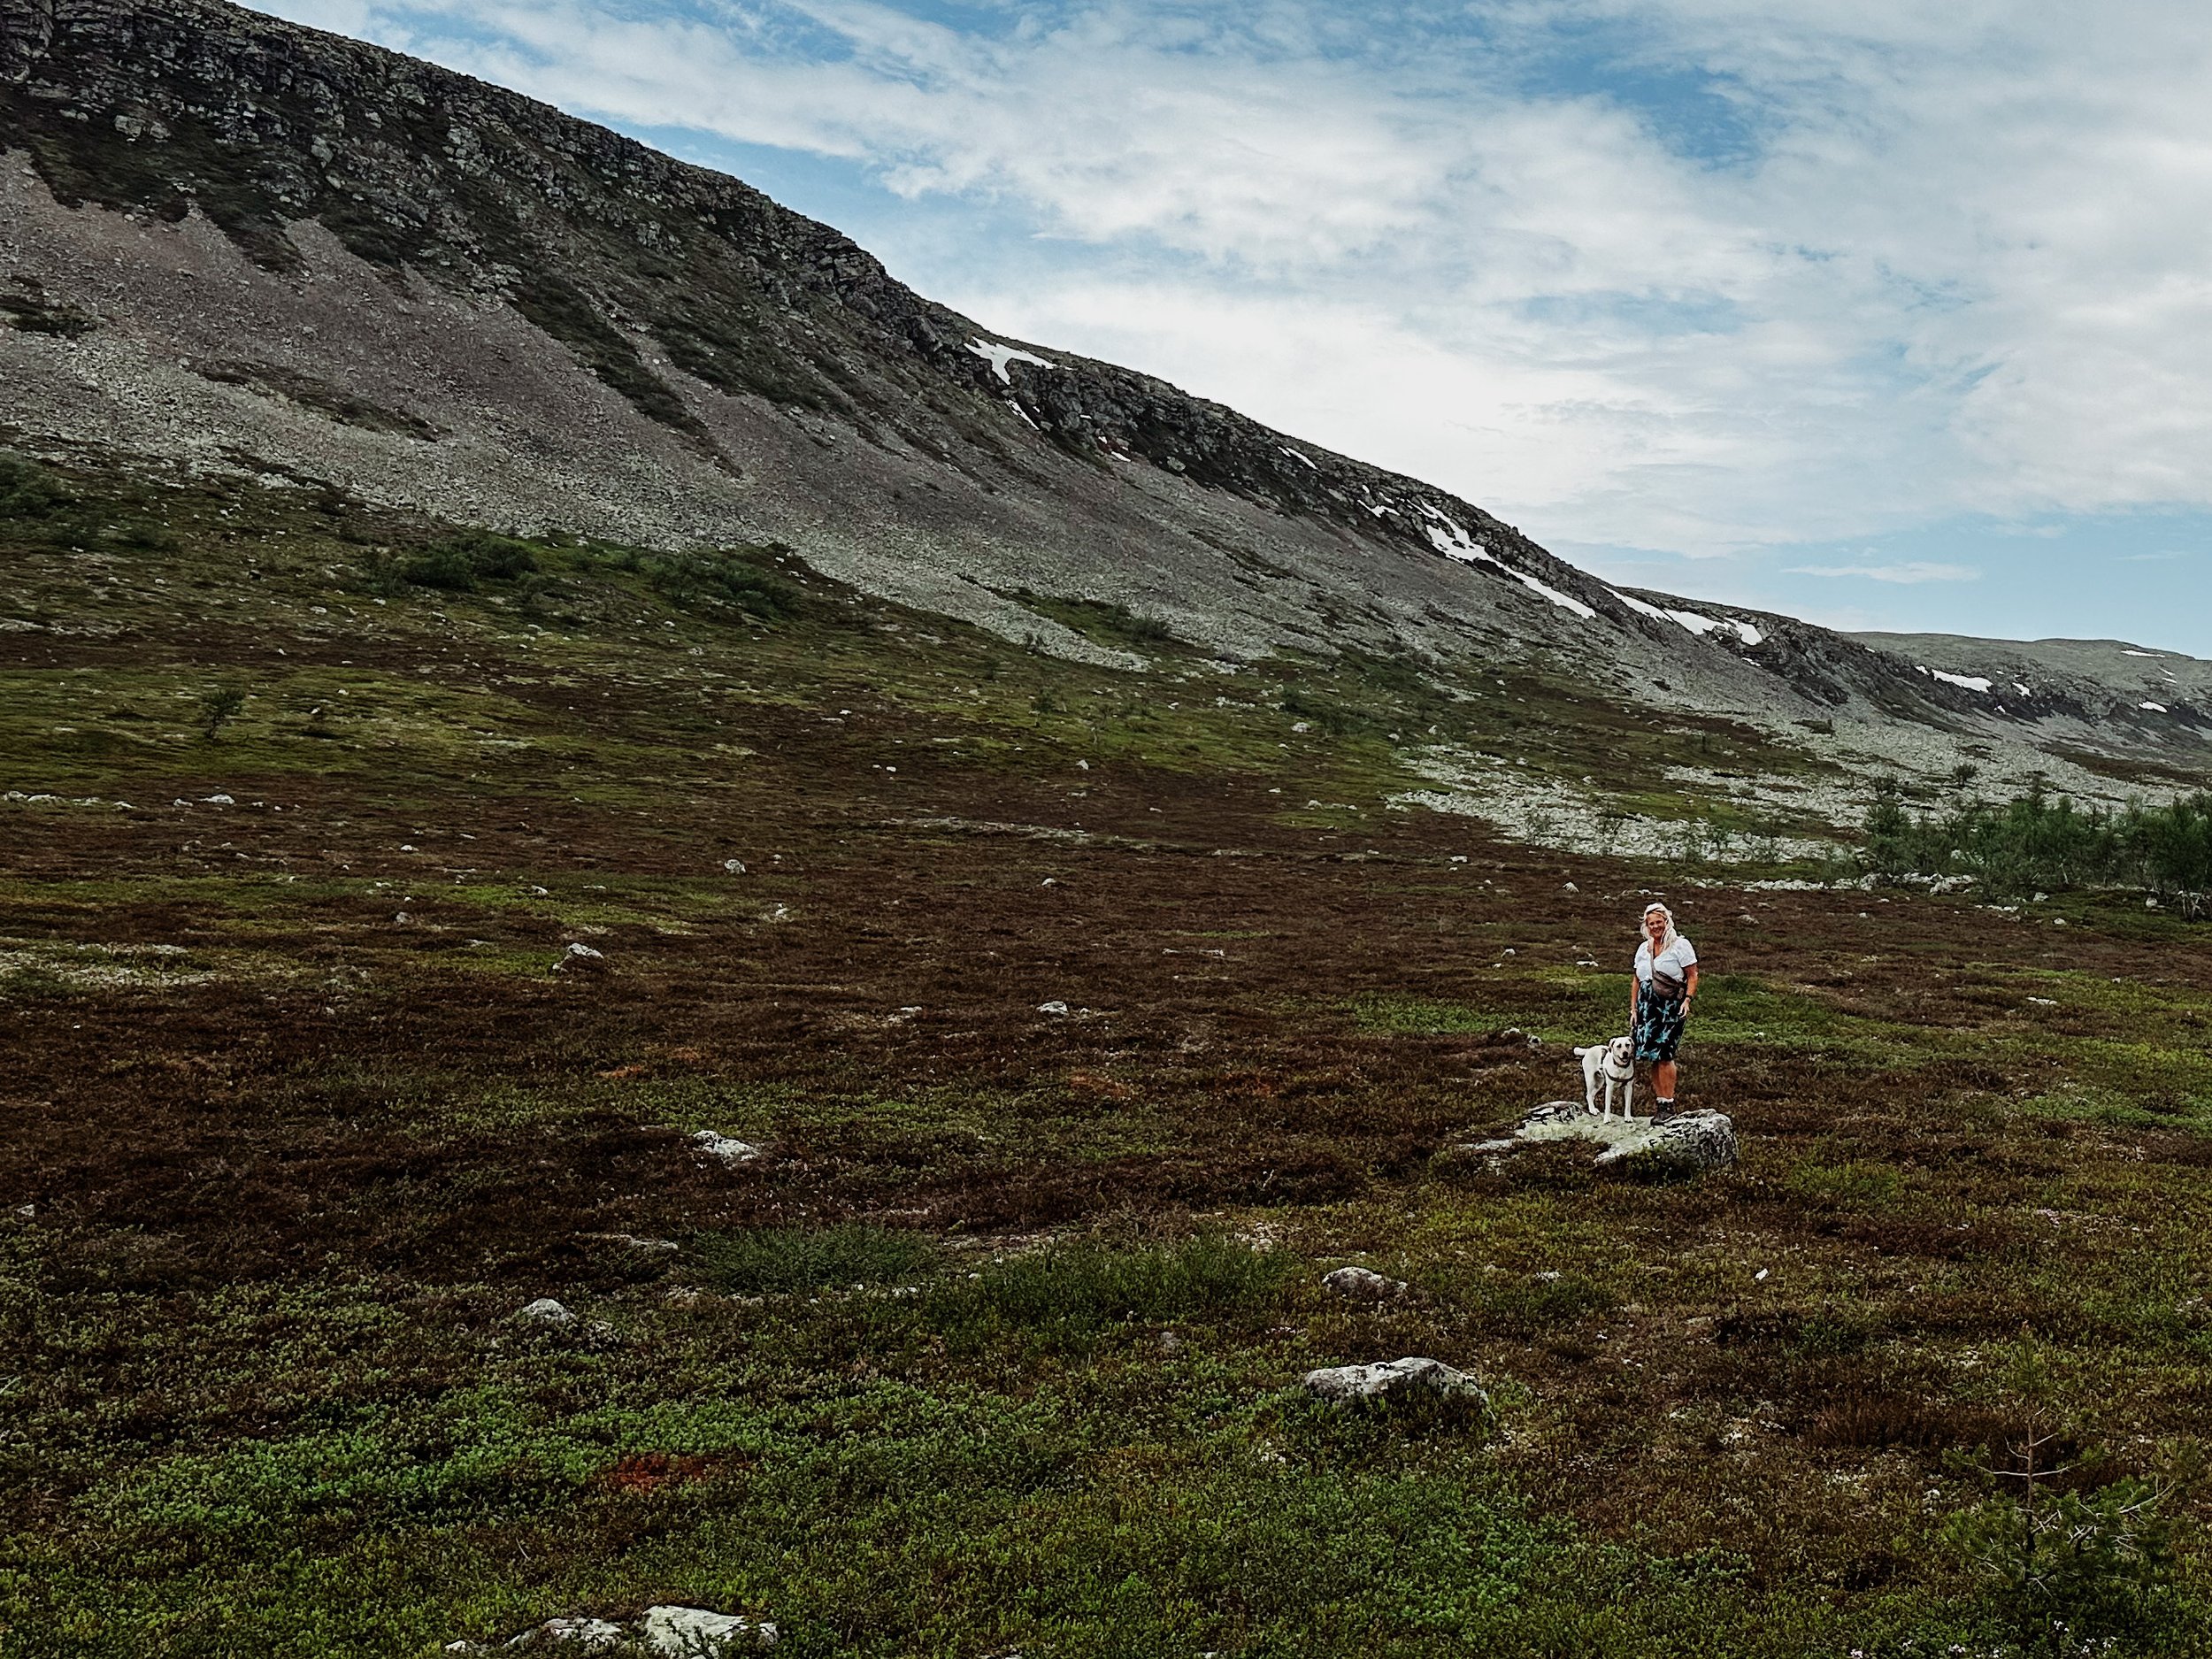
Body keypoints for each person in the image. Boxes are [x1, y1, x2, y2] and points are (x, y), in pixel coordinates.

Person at [1630, 902, 1698, 1120]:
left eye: (1659, 922)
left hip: (1669, 1007)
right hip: (1646, 1009)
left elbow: (1692, 975)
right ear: (1646, 926)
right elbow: (1636, 980)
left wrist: (1687, 999)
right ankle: (1660, 1103)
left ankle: (1668, 1105)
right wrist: (1633, 1009)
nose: (1656, 926)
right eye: (1651, 923)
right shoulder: (1643, 949)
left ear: (1667, 922)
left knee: (1665, 1055)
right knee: (1652, 1055)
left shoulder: (1680, 945)